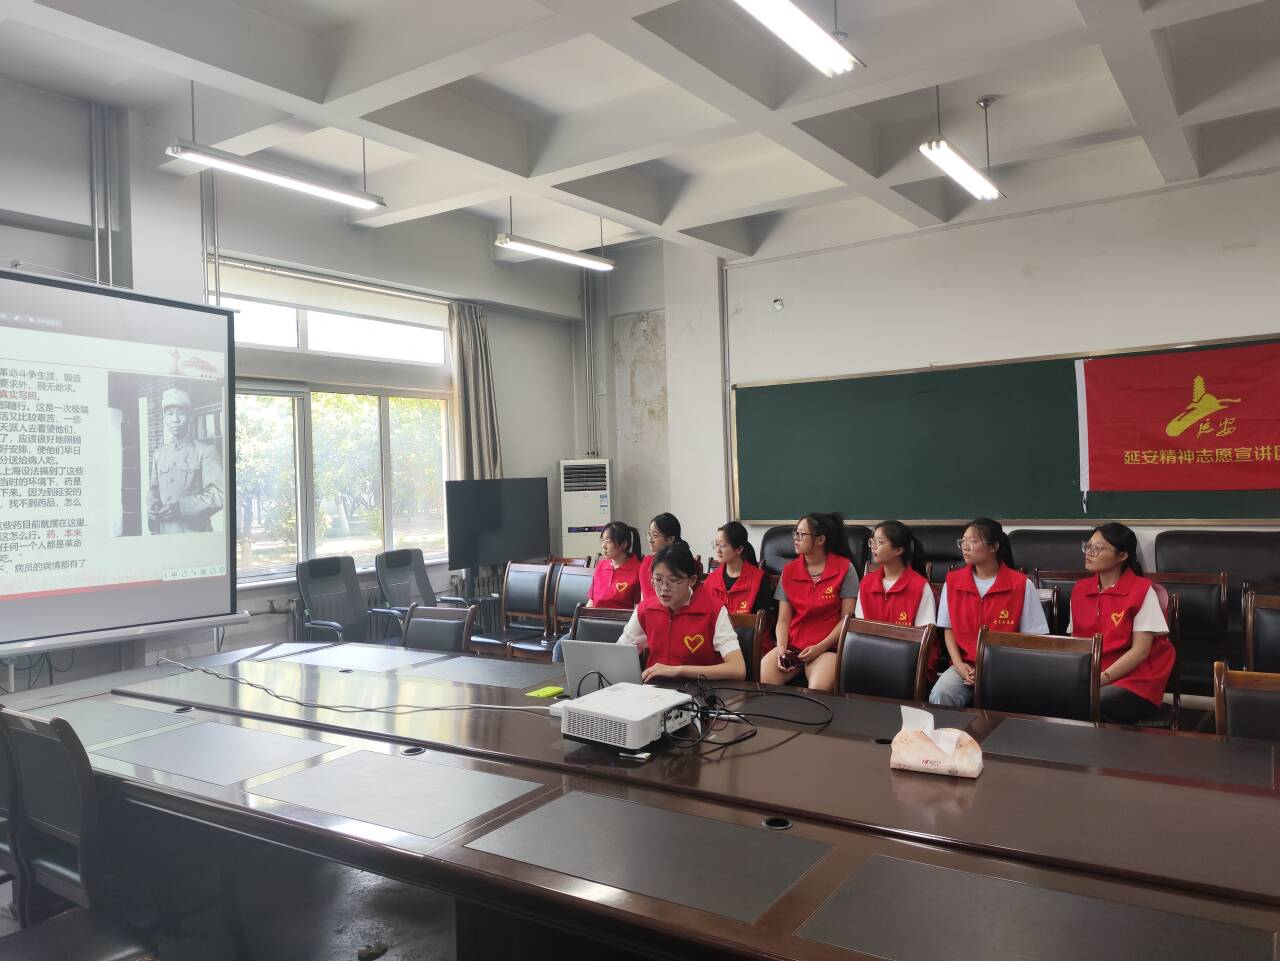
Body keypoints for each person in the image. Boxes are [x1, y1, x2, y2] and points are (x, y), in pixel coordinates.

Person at [929, 517, 1048, 707]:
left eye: (972, 541)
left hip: (1008, 668)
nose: (965, 547)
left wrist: (997, 671)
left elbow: (1033, 639)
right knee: (941, 694)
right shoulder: (952, 582)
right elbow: (948, 629)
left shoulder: (1021, 585)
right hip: (966, 665)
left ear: (994, 546)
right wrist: (959, 665)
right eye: (963, 541)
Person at [1071, 523, 1173, 724]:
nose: (1089, 552)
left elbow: (1140, 651)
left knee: (1086, 703)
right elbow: (1076, 643)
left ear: (1122, 555)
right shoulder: (1080, 590)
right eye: (1087, 546)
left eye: (1097, 548)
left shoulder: (1142, 590)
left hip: (1136, 679)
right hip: (1093, 675)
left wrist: (1099, 679)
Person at [618, 542, 746, 681]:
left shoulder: (713, 610)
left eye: (673, 580)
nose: (664, 588)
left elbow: (737, 669)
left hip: (700, 689)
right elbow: (619, 653)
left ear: (692, 580)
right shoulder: (645, 609)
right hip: (655, 688)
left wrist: (678, 670)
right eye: (658, 580)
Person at [761, 512, 858, 691]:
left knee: (818, 687)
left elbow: (847, 620)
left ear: (820, 539)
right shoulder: (789, 571)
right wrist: (781, 649)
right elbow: (783, 620)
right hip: (793, 646)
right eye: (795, 533)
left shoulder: (845, 569)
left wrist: (820, 647)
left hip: (827, 647)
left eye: (801, 534)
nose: (796, 538)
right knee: (762, 679)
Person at [148, 387, 223, 534]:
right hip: (164, 533)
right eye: (170, 414)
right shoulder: (159, 454)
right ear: (165, 418)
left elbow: (219, 495)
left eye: (181, 413)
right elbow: (153, 490)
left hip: (194, 533)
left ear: (190, 417)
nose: (175, 420)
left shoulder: (206, 451)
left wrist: (181, 507)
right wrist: (152, 505)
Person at [856, 520, 936, 627]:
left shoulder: (920, 586)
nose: (873, 546)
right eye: (872, 541)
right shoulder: (866, 583)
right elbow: (859, 627)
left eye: (880, 542)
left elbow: (925, 633)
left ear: (898, 550)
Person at [703, 521, 770, 617]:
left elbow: (762, 622)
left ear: (739, 549)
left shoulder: (759, 581)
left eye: (722, 545)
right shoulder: (711, 581)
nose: (718, 550)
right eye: (716, 544)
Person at [588, 521, 643, 609]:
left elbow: (638, 607)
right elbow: (591, 600)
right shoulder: (601, 565)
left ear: (623, 544)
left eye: (608, 541)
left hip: (621, 618)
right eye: (602, 540)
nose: (603, 546)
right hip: (594, 616)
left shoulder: (639, 569)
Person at [639, 513, 686, 603]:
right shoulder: (646, 562)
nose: (650, 540)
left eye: (655, 535)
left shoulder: (683, 563)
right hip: (649, 609)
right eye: (649, 534)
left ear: (670, 539)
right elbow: (643, 598)